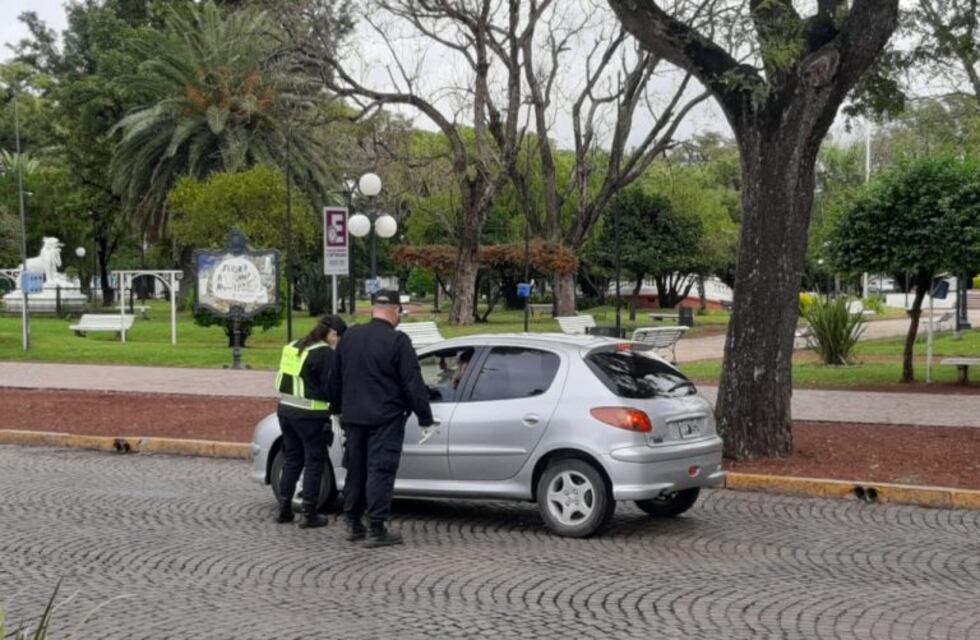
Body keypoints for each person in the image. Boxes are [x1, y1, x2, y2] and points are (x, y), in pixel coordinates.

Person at [329, 290, 433, 547]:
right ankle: (377, 527)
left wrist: (336, 409)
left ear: (373, 309)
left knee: (356, 469)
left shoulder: (350, 336)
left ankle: (353, 523)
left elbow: (335, 378)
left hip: (353, 417)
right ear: (396, 311)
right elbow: (412, 382)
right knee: (380, 470)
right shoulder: (398, 341)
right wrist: (425, 417)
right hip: (385, 417)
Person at [275, 314, 347, 528]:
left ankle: (284, 509)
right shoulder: (324, 353)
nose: (339, 343)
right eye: (339, 338)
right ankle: (309, 512)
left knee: (292, 459)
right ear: (332, 334)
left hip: (286, 410)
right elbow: (331, 386)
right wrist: (339, 409)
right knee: (315, 462)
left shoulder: (294, 346)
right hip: (311, 415)